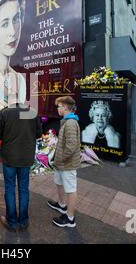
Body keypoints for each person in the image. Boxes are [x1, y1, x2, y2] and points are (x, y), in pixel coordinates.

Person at [0, 99, 42, 232]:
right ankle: (23, 222)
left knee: (10, 188)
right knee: (24, 188)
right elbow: (38, 134)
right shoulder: (32, 112)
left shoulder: (4, 113)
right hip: (26, 157)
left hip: (9, 157)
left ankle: (12, 222)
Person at [48, 96, 81, 228]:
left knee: (71, 190)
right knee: (59, 183)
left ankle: (70, 218)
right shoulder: (67, 121)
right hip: (61, 163)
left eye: (59, 106)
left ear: (66, 107)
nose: (58, 109)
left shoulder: (71, 123)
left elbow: (71, 146)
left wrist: (60, 158)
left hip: (67, 164)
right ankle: (62, 206)